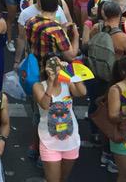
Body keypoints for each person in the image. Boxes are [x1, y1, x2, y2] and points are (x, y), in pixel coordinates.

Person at [33, 54, 87, 182]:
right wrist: (51, 83)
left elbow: (82, 92)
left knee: (63, 178)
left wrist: (70, 73)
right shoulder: (39, 86)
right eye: (52, 64)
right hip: (49, 141)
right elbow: (45, 105)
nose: (56, 67)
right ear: (45, 68)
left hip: (70, 139)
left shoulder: (67, 83)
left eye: (58, 63)